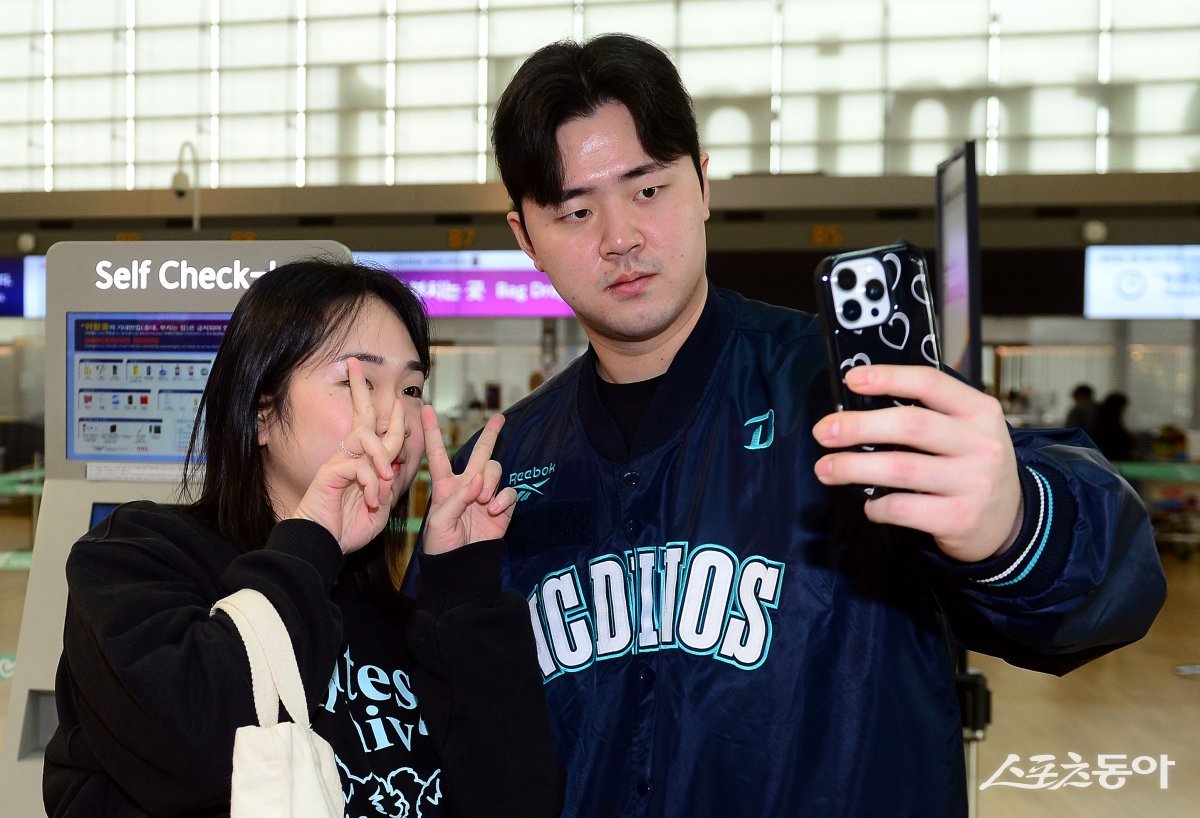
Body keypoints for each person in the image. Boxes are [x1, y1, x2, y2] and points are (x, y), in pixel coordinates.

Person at [453, 32, 1166, 817]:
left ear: (703, 183)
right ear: (525, 237)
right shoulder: (498, 466)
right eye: (575, 210)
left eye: (648, 189)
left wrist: (1015, 527)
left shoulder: (850, 393)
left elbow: (1106, 587)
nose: (619, 237)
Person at [43, 259, 565, 817]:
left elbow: (519, 800)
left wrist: (463, 589)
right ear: (261, 414)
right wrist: (311, 540)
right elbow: (195, 752)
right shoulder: (137, 558)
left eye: (412, 388)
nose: (397, 418)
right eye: (357, 382)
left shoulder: (406, 620)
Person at [1093, 390, 1138, 462]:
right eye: (1123, 408)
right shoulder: (1109, 425)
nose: (1124, 411)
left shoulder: (1101, 421)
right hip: (1113, 461)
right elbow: (1119, 446)